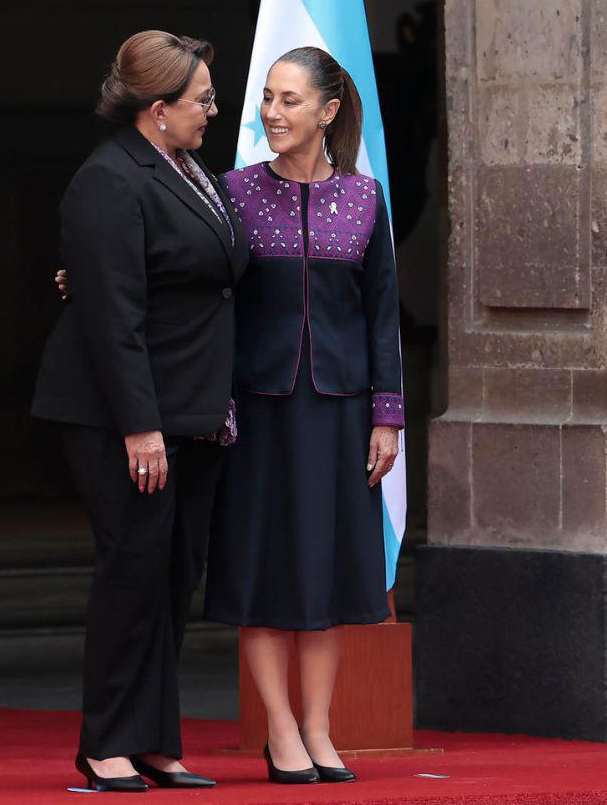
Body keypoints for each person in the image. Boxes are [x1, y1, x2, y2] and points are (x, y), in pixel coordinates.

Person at [32, 30, 248, 792]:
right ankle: (106, 743)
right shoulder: (109, 178)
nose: (213, 110)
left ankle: (154, 738)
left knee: (171, 573)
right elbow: (112, 316)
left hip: (192, 409)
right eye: (202, 100)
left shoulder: (190, 169)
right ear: (158, 108)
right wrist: (140, 424)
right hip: (122, 416)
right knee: (132, 569)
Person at [203, 46, 403, 784]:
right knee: (262, 571)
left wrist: (387, 417)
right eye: (267, 97)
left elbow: (383, 315)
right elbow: (197, 291)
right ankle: (280, 729)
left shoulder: (366, 199)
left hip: (341, 415)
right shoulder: (232, 192)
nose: (272, 112)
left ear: (328, 111)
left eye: (289, 100)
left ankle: (318, 728)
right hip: (254, 414)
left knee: (325, 574)